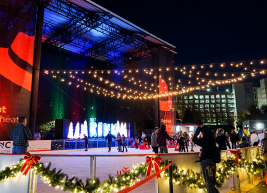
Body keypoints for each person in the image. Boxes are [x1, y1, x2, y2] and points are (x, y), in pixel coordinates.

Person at [193, 126, 219, 193]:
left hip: (206, 162)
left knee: (209, 184)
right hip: (212, 161)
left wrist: (197, 131)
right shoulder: (212, 139)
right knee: (212, 183)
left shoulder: (205, 139)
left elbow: (194, 140)